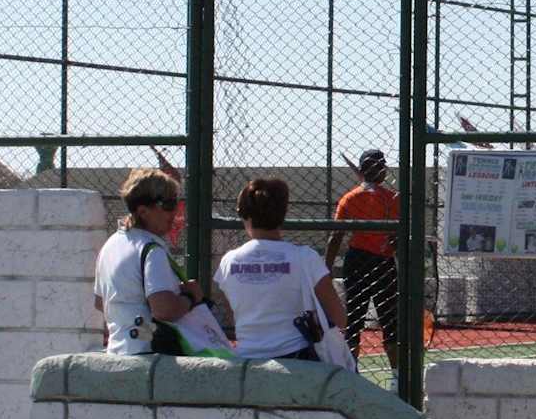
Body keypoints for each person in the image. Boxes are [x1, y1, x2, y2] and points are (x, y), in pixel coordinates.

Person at [94, 168, 232, 355]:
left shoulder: (111, 245)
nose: (174, 211)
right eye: (168, 204)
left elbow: (100, 302)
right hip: (150, 354)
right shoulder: (151, 250)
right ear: (143, 211)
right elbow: (164, 310)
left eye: (176, 202)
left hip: (118, 351)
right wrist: (190, 297)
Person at [217, 175, 351, 362]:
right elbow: (338, 317)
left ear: (245, 214)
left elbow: (233, 315)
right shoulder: (305, 257)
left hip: (248, 359)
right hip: (298, 359)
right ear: (283, 213)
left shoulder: (228, 261)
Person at [326, 149, 403, 387]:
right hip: (383, 263)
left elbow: (336, 238)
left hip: (357, 261)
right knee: (389, 321)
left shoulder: (350, 198)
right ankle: (397, 378)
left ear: (361, 170)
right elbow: (396, 239)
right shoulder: (393, 199)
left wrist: (326, 269)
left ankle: (352, 374)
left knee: (354, 319)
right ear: (382, 170)